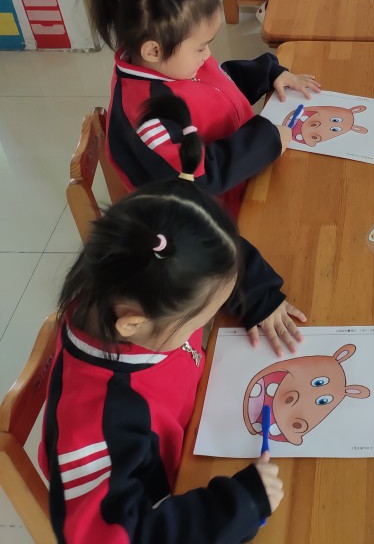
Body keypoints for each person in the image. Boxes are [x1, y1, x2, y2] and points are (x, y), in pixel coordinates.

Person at [40, 106, 303, 543]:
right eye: (201, 318)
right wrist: (235, 507)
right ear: (133, 324)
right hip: (165, 499)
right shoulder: (98, 430)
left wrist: (258, 296)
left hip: (188, 430)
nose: (207, 321)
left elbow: (211, 258)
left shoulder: (130, 281)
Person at [79, 0, 319, 214]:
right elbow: (196, 179)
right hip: (201, 221)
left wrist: (267, 74)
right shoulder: (146, 117)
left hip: (238, 177)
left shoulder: (171, 63)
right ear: (153, 51)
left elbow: (216, 86)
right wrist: (265, 141)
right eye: (201, 47)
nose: (208, 55)